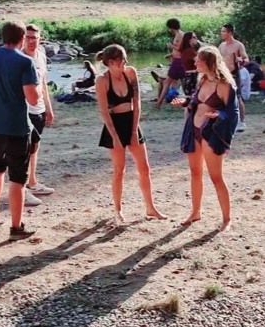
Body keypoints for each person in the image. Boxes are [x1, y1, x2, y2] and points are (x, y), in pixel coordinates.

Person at [0, 21, 40, 241]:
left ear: (2, 37)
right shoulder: (25, 61)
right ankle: (16, 226)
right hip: (16, 127)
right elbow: (33, 99)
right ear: (22, 38)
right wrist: (39, 90)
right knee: (18, 178)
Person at [96, 45, 167, 223]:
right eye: (122, 60)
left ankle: (150, 207)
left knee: (144, 168)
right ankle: (118, 210)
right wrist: (114, 137)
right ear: (111, 62)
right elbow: (104, 111)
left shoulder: (130, 72)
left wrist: (134, 130)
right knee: (119, 170)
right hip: (114, 125)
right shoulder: (102, 80)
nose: (125, 63)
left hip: (131, 121)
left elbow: (137, 102)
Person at [172, 46, 238, 232]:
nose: (195, 62)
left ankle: (226, 219)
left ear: (209, 62)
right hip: (194, 129)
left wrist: (219, 115)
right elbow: (195, 102)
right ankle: (195, 212)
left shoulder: (225, 85)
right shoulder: (202, 80)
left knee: (216, 177)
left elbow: (233, 112)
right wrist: (185, 102)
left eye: (198, 60)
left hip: (211, 133)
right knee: (195, 172)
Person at [22, 24, 55, 207]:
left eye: (34, 37)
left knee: (35, 146)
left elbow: (43, 84)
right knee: (24, 150)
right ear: (22, 38)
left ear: (40, 39)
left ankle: (32, 182)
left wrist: (48, 108)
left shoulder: (41, 55)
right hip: (24, 109)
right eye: (27, 37)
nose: (31, 41)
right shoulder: (19, 58)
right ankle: (22, 190)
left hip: (39, 109)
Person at [219, 23, 249, 132]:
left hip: (234, 73)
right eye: (222, 31)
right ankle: (225, 120)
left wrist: (241, 60)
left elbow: (246, 59)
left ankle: (242, 122)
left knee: (238, 97)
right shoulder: (221, 45)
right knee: (222, 97)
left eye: (223, 31)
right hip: (223, 74)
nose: (221, 33)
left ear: (230, 32)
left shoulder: (238, 45)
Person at [157, 18, 185, 109]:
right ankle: (160, 101)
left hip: (178, 61)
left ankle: (159, 103)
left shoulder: (180, 35)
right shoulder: (180, 34)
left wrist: (171, 46)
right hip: (177, 60)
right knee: (179, 81)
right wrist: (171, 54)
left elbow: (182, 49)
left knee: (168, 81)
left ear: (171, 27)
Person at [180, 31, 199, 96]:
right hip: (191, 76)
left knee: (190, 97)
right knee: (192, 97)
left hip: (187, 76)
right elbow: (200, 61)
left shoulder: (187, 50)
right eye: (194, 37)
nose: (196, 38)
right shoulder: (189, 51)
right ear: (189, 40)